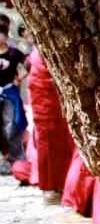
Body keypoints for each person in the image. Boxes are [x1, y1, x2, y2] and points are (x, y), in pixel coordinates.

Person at [26, 49, 73, 205]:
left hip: (54, 101)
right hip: (45, 102)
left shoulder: (40, 52)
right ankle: (51, 188)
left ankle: (61, 185)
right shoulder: (40, 54)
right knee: (48, 144)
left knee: (61, 143)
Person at [0, 29, 28, 174]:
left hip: (9, 91)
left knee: (11, 125)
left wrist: (19, 79)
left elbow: (28, 64)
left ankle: (16, 160)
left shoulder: (14, 53)